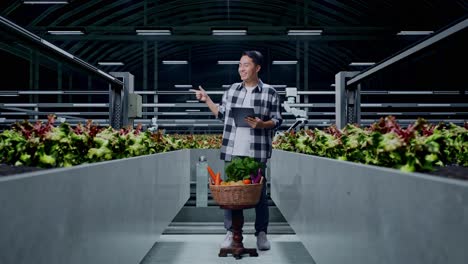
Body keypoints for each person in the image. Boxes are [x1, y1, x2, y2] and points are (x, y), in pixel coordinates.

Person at [191, 50, 283, 251]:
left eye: (246, 65)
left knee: (259, 194)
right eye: (240, 65)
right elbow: (222, 114)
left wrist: (262, 124)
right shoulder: (232, 90)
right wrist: (206, 99)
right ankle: (231, 232)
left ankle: (261, 233)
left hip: (257, 152)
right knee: (230, 193)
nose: (241, 68)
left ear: (257, 68)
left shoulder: (270, 92)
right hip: (232, 149)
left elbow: (277, 120)